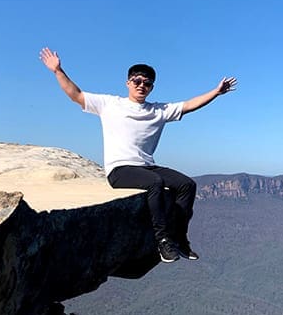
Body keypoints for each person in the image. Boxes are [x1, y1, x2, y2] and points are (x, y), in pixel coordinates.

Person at [39, 47, 236, 264]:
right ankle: (162, 241)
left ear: (152, 87)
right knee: (155, 183)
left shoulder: (158, 111)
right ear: (128, 83)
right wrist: (58, 71)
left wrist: (216, 92)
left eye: (147, 83)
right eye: (137, 81)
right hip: (120, 169)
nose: (142, 85)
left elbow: (189, 105)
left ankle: (179, 237)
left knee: (187, 184)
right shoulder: (110, 105)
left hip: (146, 166)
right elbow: (76, 95)